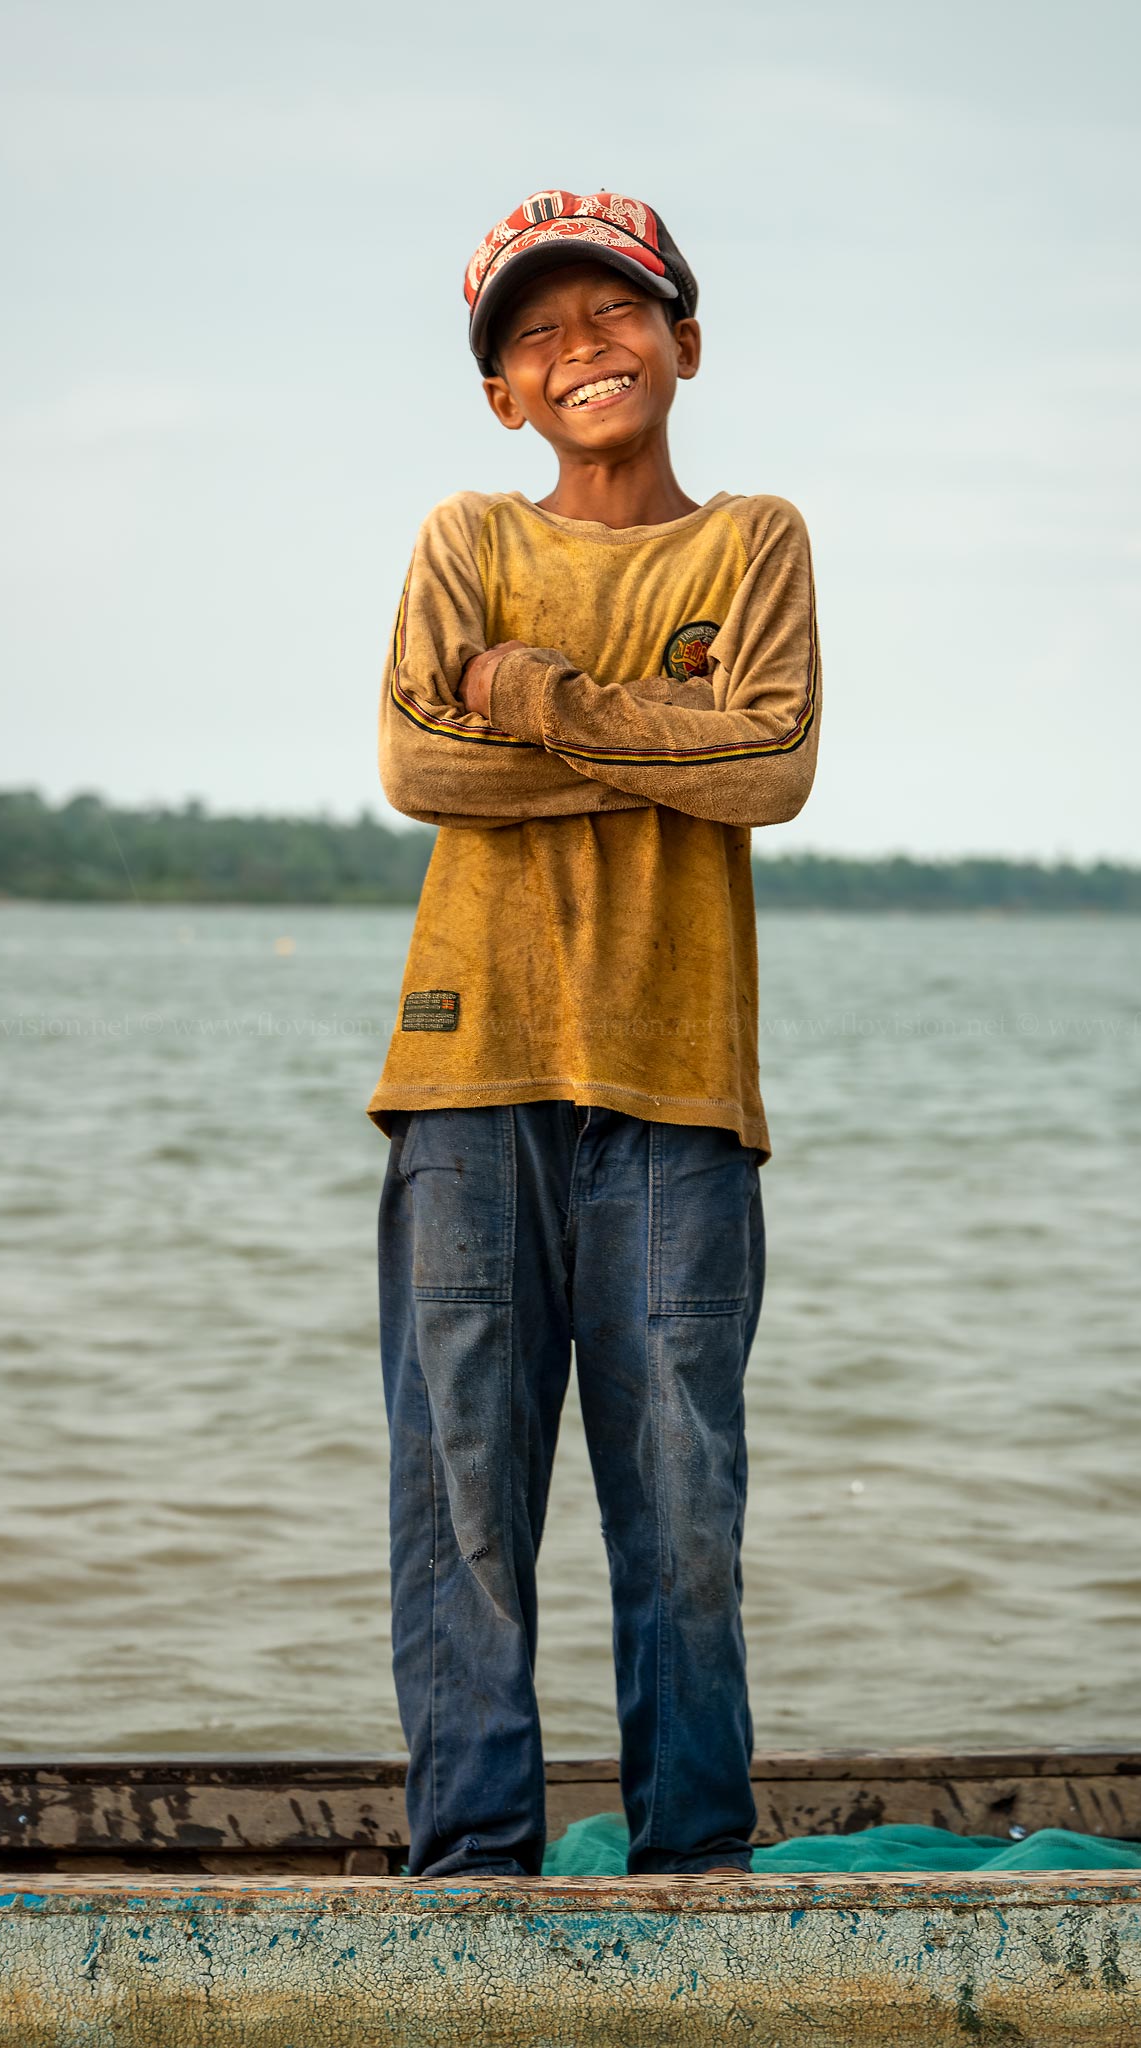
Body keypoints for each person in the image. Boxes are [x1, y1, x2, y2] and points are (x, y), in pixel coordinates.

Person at [367, 189, 822, 1878]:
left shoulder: (753, 542)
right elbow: (425, 770)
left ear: (683, 343)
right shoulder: (468, 539)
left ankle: (693, 1866)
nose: (582, 352)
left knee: (686, 1517)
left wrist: (540, 694)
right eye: (538, 334)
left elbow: (770, 769)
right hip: (468, 1074)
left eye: (614, 316)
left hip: (682, 1097)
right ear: (503, 391)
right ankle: (472, 1872)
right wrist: (670, 735)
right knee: (464, 1514)